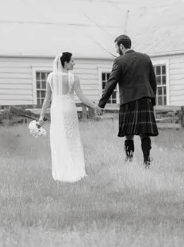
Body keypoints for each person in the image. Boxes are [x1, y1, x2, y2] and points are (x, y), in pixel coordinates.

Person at [36, 51, 102, 182]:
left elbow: (47, 99)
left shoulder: (50, 77)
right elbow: (82, 97)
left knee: (59, 139)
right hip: (69, 110)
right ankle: (75, 168)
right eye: (72, 61)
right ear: (65, 63)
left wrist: (41, 117)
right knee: (72, 138)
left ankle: (62, 170)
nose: (74, 63)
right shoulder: (73, 78)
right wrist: (95, 106)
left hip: (56, 111)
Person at [98, 34, 159, 166]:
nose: (116, 51)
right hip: (145, 100)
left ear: (121, 46)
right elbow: (153, 82)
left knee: (128, 133)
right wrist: (152, 102)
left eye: (116, 47)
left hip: (128, 101)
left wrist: (101, 104)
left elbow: (111, 83)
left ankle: (129, 160)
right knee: (145, 133)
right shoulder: (145, 58)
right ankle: (147, 161)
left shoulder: (119, 61)